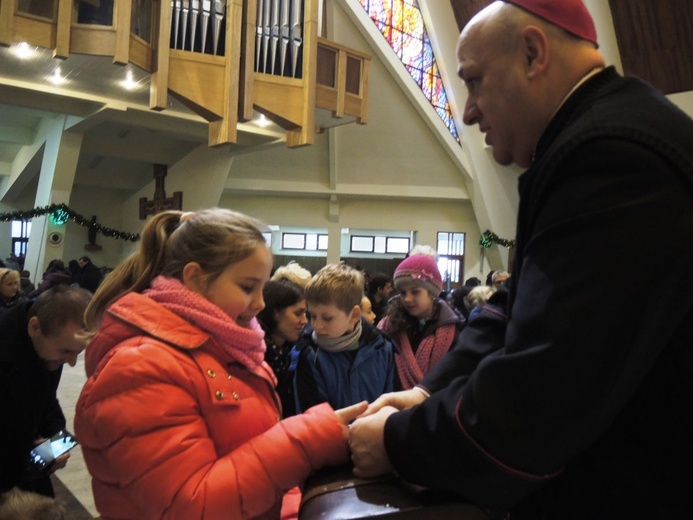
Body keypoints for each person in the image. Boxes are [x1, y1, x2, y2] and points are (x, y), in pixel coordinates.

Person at [348, 1, 693, 518]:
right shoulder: (588, 139)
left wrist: (401, 443)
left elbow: (546, 390)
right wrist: (426, 394)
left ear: (533, 52)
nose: (467, 111)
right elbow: (513, 308)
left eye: (475, 81)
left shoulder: (613, 156)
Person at [73, 209, 366, 520]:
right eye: (246, 287)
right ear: (196, 277)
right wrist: (308, 439)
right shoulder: (140, 367)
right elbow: (190, 505)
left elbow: (254, 465)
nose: (260, 304)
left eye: (262, 288)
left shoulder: (229, 351)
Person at [0, 285, 91, 500]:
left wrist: (55, 445)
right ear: (34, 327)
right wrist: (31, 460)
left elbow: (47, 401)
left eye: (78, 352)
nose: (71, 362)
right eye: (66, 351)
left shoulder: (47, 344)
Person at [292, 263, 395, 413]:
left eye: (327, 318)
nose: (316, 325)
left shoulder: (382, 348)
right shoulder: (309, 355)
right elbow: (310, 420)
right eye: (312, 316)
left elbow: (390, 406)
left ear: (354, 315)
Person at [377, 254, 464, 391]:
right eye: (403, 293)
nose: (407, 299)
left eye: (415, 292)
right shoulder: (389, 327)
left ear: (432, 293)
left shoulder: (451, 332)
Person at [256, 279, 308, 418]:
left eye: (305, 314)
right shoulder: (254, 354)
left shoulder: (294, 351)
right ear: (275, 312)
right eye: (298, 314)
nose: (304, 321)